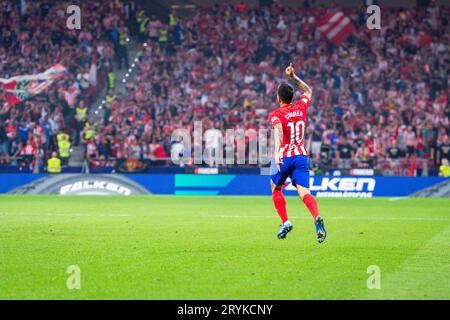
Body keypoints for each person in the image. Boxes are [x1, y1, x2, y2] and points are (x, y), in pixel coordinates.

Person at [268, 63, 326, 242]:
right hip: (301, 156)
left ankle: (285, 221)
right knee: (304, 193)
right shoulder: (301, 107)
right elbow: (308, 91)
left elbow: (278, 130)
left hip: (285, 157)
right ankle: (316, 217)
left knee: (275, 187)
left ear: (279, 98)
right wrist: (293, 76)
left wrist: (277, 152)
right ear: (293, 96)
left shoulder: (276, 114)